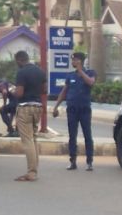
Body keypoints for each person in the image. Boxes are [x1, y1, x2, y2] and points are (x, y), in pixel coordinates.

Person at [52, 52, 96, 171]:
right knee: (72, 136)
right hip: (71, 109)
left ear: (80, 61)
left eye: (75, 60)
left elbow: (91, 82)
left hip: (84, 109)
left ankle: (89, 162)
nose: (73, 62)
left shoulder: (90, 72)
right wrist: (56, 106)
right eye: (73, 60)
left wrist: (81, 72)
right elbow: (64, 92)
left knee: (87, 135)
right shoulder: (70, 75)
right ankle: (72, 161)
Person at [13, 51, 46, 182]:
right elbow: (44, 90)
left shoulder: (21, 73)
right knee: (34, 139)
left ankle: (31, 173)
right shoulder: (40, 71)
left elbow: (19, 93)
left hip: (25, 107)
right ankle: (34, 170)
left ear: (19, 60)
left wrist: (12, 91)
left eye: (17, 62)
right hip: (37, 107)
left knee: (27, 141)